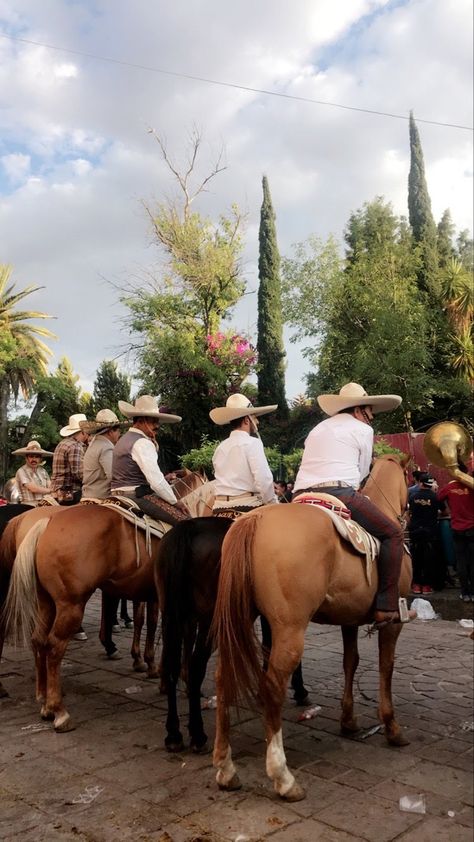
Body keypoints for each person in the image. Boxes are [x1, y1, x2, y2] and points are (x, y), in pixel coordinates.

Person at [293, 382, 416, 627]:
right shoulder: (362, 430)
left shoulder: (317, 428)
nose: (370, 419)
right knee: (393, 533)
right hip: (339, 491)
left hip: (300, 494)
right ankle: (387, 607)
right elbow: (361, 473)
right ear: (359, 410)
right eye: (370, 413)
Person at [111, 395, 188, 526]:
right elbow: (156, 482)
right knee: (187, 522)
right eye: (153, 421)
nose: (157, 425)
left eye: (157, 421)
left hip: (116, 495)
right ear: (141, 420)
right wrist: (175, 502)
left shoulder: (122, 440)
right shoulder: (142, 442)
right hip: (136, 496)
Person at [209, 393, 278, 517]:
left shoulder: (220, 448)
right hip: (247, 506)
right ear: (247, 420)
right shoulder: (253, 443)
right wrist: (273, 502)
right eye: (254, 417)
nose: (257, 421)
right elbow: (263, 480)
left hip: (219, 509)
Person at [438, 462, 474, 602]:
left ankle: (465, 593)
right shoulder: (471, 485)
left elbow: (438, 498)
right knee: (472, 561)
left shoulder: (449, 487)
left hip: (457, 529)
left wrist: (444, 509)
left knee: (461, 562)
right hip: (472, 528)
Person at [408, 473, 444, 594]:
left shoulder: (413, 496)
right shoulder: (435, 497)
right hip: (430, 531)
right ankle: (427, 585)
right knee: (429, 558)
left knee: (416, 558)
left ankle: (416, 585)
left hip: (415, 531)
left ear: (421, 483)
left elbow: (409, 512)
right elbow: (445, 512)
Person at [81, 409, 126, 499]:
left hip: (88, 494)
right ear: (110, 432)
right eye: (118, 430)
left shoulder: (94, 444)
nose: (119, 433)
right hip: (101, 497)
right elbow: (113, 476)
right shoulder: (106, 447)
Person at [51, 414, 89, 505]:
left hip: (57, 491)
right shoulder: (76, 446)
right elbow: (78, 474)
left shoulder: (62, 443)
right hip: (70, 493)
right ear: (83, 432)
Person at [12, 440, 53, 504]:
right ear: (26, 458)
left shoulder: (43, 471)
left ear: (40, 459)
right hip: (29, 505)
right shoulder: (21, 471)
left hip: (45, 503)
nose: (34, 459)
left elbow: (50, 485)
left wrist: (52, 490)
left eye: (37, 457)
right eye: (31, 456)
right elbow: (34, 489)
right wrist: (51, 490)